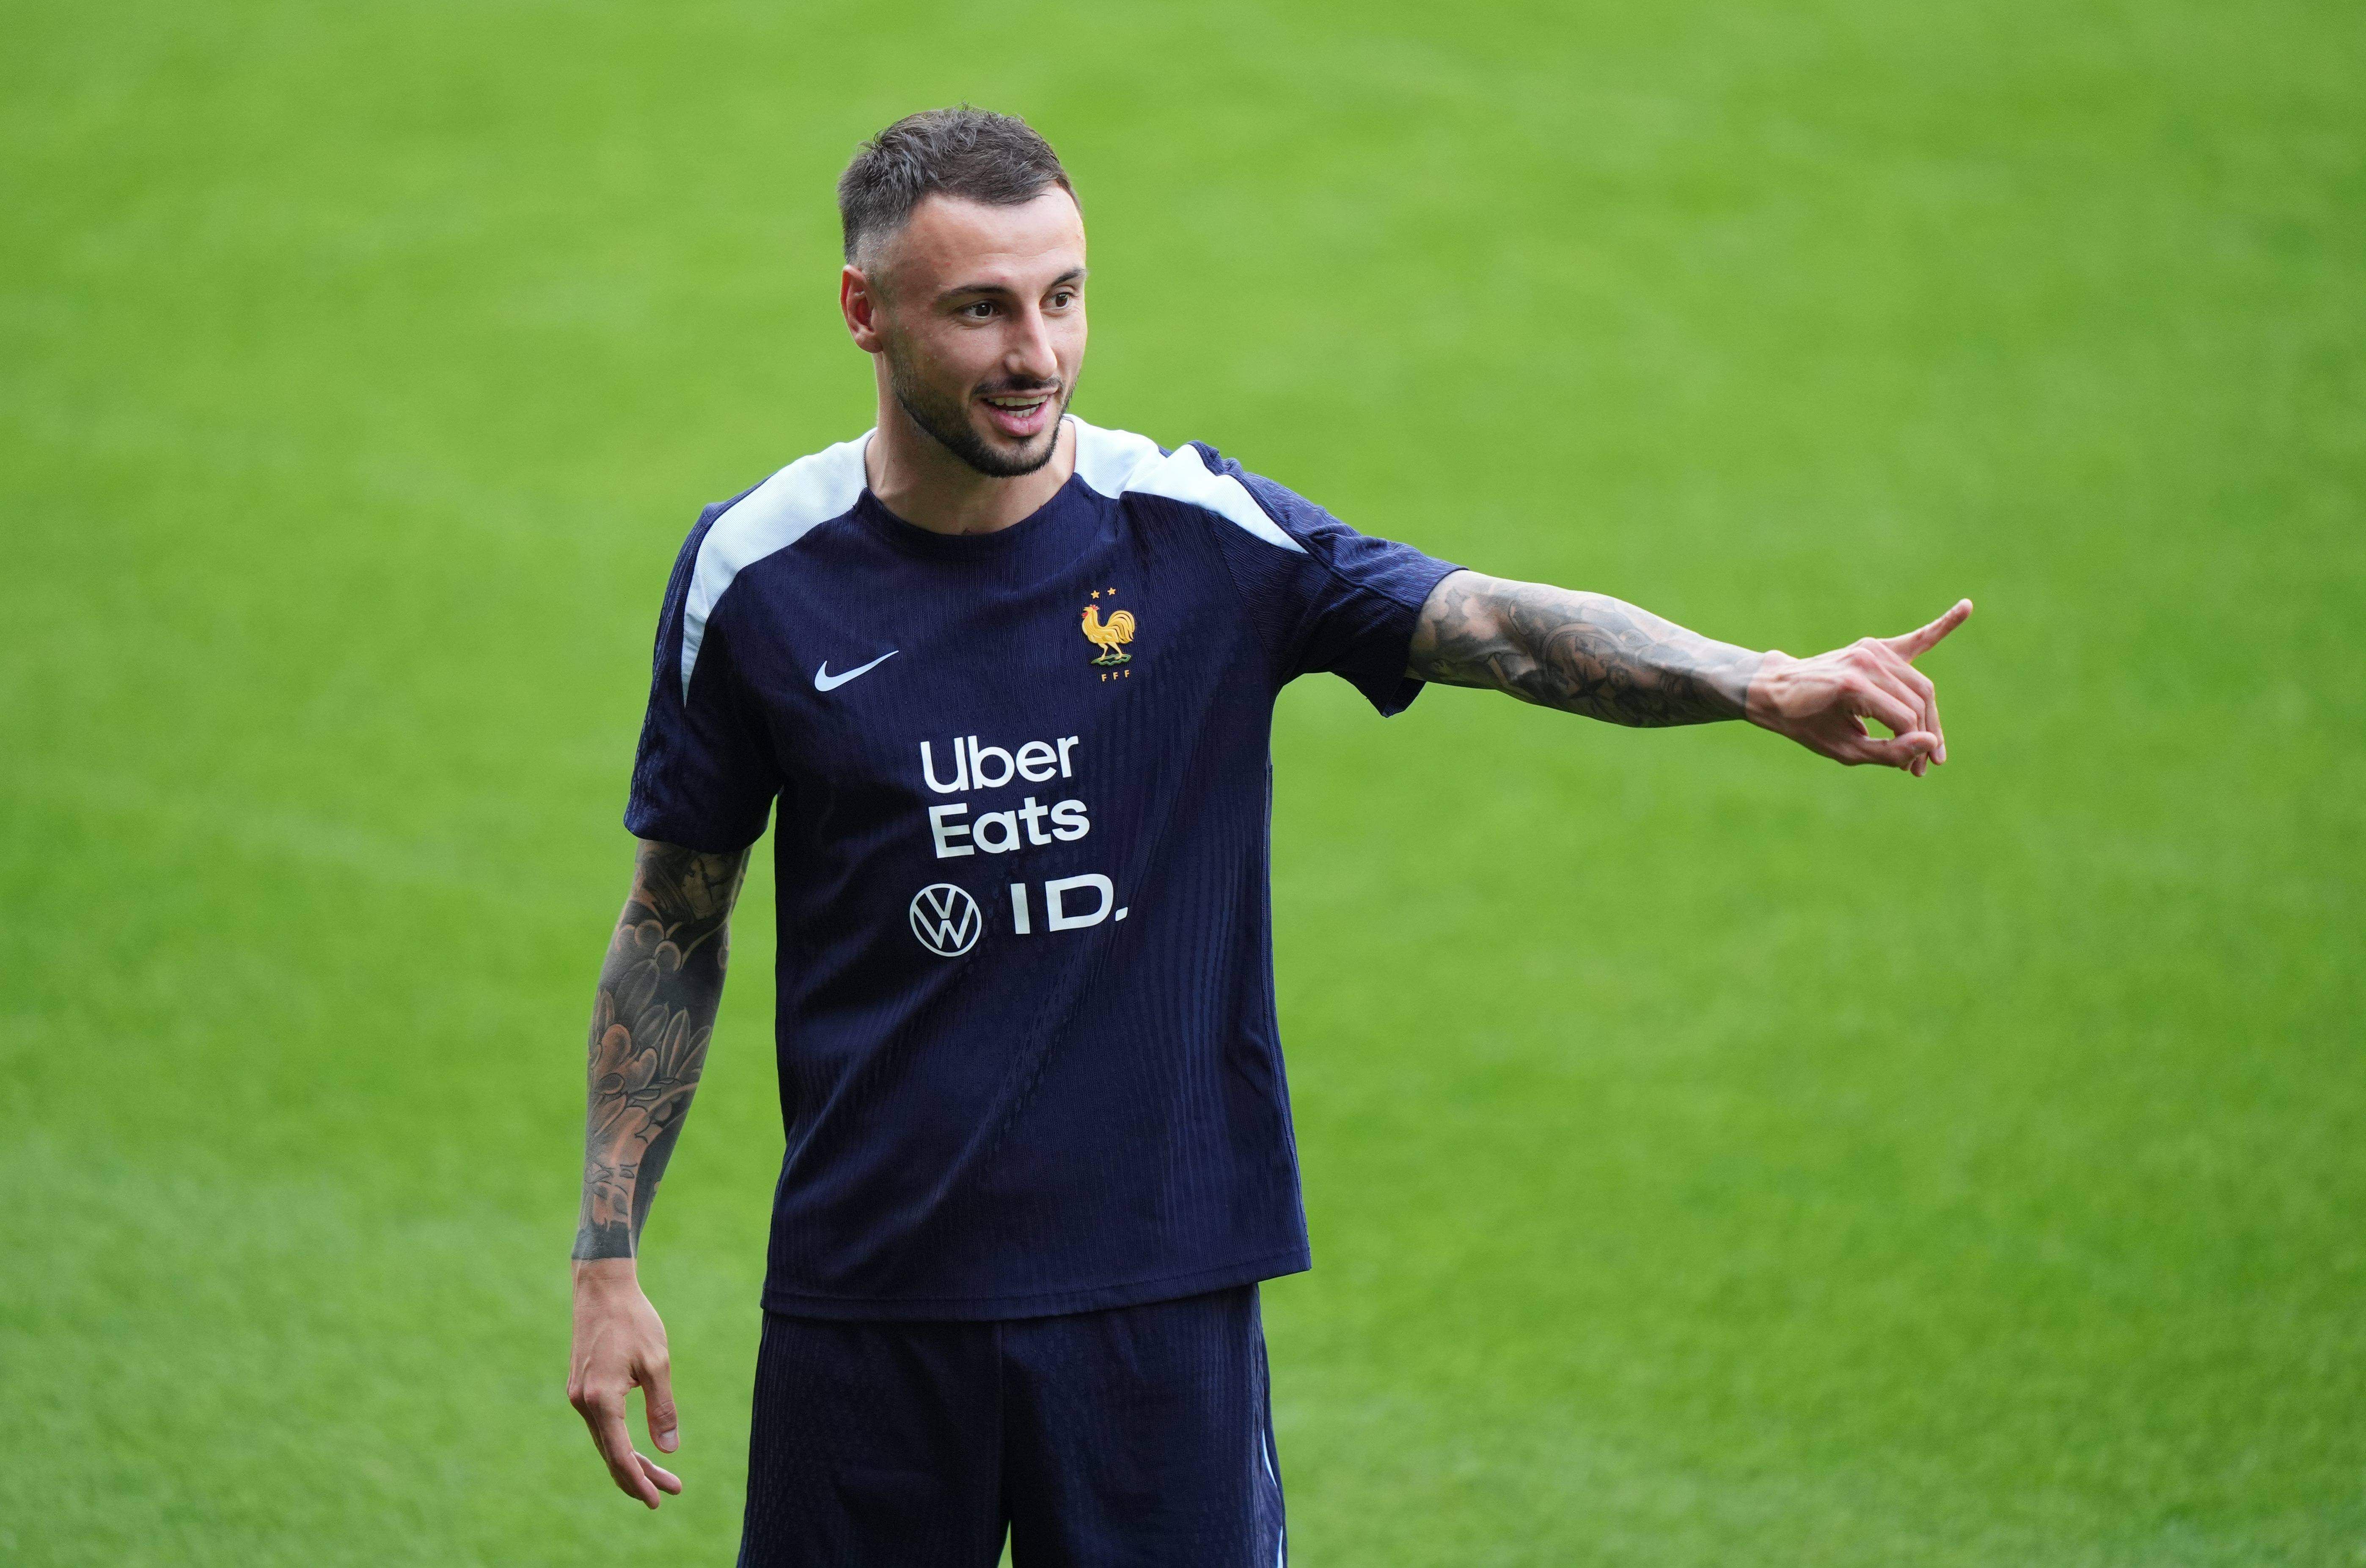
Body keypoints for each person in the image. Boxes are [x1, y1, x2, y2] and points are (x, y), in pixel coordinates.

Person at [565, 106, 1971, 1566]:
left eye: (1063, 297)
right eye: (980, 309)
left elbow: (1483, 624)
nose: (1035, 353)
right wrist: (608, 1257)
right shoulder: (758, 575)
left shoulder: (1196, 532)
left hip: (1160, 1302)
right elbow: (675, 918)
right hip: (871, 1305)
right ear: (864, 311)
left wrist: (1751, 680)